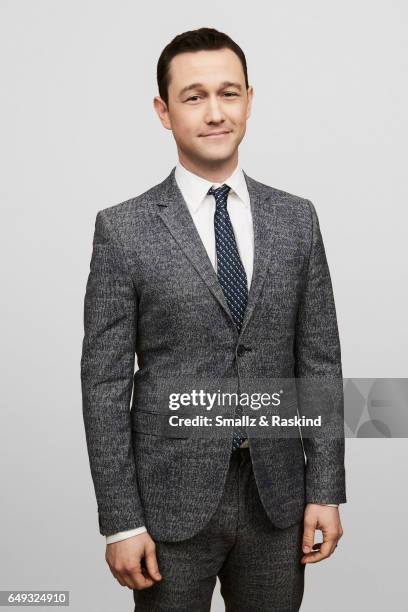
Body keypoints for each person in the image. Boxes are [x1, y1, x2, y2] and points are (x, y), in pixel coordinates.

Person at [80, 27, 345, 612]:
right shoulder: (123, 230)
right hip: (168, 504)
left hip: (278, 501)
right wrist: (120, 521)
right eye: (193, 96)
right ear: (164, 111)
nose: (215, 112)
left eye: (229, 93)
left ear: (250, 99)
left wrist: (325, 489)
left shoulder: (297, 220)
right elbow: (103, 385)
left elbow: (319, 362)